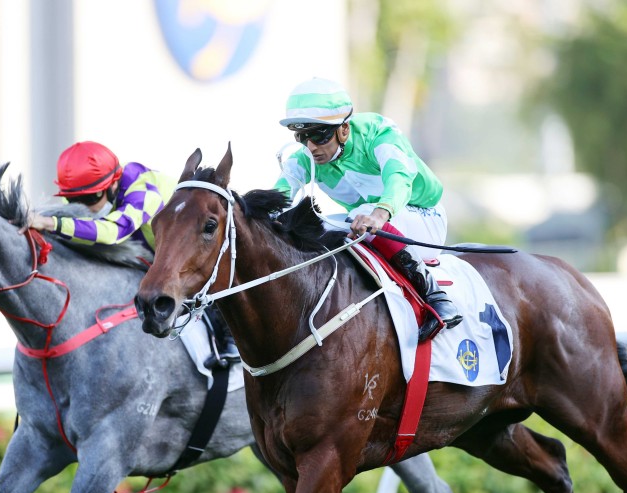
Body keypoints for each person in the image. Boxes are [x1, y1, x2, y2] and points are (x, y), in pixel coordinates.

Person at [275, 78, 462, 341]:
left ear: (343, 129)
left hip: (421, 218)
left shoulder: (378, 133)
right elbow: (281, 194)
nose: (311, 147)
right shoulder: (305, 158)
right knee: (316, 228)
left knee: (361, 214)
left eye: (318, 135)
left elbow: (399, 178)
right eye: (302, 136)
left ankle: (437, 298)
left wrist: (380, 213)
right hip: (366, 222)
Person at [24, 140, 240, 366]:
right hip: (155, 257)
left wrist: (50, 223)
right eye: (74, 199)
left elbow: (114, 231)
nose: (85, 209)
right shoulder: (111, 185)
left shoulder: (143, 189)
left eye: (90, 199)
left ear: (113, 185)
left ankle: (230, 340)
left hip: (194, 254)